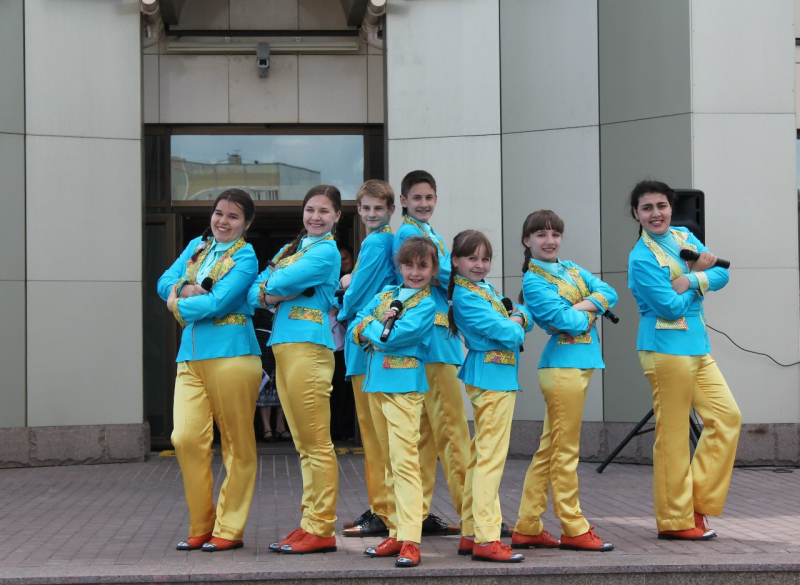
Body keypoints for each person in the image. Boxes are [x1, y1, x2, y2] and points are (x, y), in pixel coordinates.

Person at [627, 179, 741, 540]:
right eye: (647, 208)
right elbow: (669, 307)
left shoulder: (683, 236)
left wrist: (690, 281)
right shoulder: (641, 258)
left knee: (726, 418)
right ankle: (675, 520)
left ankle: (696, 504)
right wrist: (697, 277)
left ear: (671, 208)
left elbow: (721, 273)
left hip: (697, 347)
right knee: (673, 435)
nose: (655, 213)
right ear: (636, 214)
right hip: (664, 351)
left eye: (661, 206)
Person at [157, 188, 261, 553]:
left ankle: (229, 528)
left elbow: (219, 303)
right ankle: (202, 524)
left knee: (237, 445)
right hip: (190, 357)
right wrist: (183, 288)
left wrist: (176, 305)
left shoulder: (246, 256)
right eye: (219, 213)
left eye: (233, 216)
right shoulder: (196, 247)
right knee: (185, 439)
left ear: (246, 223)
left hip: (233, 355)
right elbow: (163, 281)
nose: (223, 221)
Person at [512, 210, 617, 552]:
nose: (550, 241)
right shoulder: (533, 280)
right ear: (527, 240)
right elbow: (561, 321)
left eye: (555, 234)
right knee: (564, 451)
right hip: (561, 370)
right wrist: (592, 311)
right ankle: (573, 526)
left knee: (550, 449)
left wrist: (581, 307)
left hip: (579, 364)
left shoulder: (570, 268)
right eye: (541, 234)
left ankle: (528, 525)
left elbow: (609, 291)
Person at [249, 185, 342, 554]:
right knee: (304, 445)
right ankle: (309, 523)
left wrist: (274, 289)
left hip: (309, 348)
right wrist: (273, 291)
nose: (315, 217)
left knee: (316, 442)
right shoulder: (294, 248)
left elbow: (277, 282)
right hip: (285, 346)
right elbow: (255, 290)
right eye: (310, 209)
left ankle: (322, 527)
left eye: (324, 211)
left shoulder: (326, 250)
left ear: (337, 216)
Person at [349, 237, 439, 568]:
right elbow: (356, 323)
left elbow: (395, 337)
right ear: (399, 266)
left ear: (433, 269)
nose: (415, 272)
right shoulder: (385, 294)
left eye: (423, 266)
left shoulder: (427, 304)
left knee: (405, 463)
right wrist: (373, 326)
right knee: (388, 462)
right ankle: (397, 531)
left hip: (404, 388)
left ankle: (411, 538)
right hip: (376, 385)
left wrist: (371, 327)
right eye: (409, 264)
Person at [392, 170, 470, 536]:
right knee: (453, 433)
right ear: (404, 201)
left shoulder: (427, 232)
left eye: (429, 197)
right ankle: (475, 515)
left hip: (429, 343)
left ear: (436, 199)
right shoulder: (411, 234)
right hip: (436, 343)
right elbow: (451, 276)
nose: (423, 203)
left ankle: (418, 514)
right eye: (417, 198)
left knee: (424, 437)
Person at [447, 230, 531, 563]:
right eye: (472, 258)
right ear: (456, 261)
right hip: (491, 376)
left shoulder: (481, 289)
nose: (480, 264)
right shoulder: (467, 295)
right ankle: (486, 536)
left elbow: (515, 321)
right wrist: (518, 318)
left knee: (481, 456)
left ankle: (472, 532)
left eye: (485, 258)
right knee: (489, 459)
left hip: (493, 374)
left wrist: (517, 319)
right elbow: (509, 331)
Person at [337, 180, 397, 538]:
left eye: (378, 208)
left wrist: (343, 297)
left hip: (365, 341)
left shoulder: (376, 242)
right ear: (358, 210)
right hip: (371, 340)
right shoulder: (383, 240)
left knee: (375, 436)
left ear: (390, 210)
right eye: (367, 208)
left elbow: (357, 292)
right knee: (378, 433)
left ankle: (383, 510)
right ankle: (381, 506)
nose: (372, 214)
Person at [252, 308, 290, 443]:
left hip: (283, 346)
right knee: (266, 386)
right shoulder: (259, 304)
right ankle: (267, 428)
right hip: (263, 346)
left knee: (282, 388)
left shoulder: (285, 305)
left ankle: (280, 426)